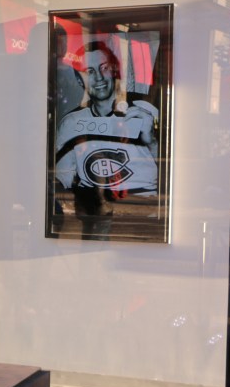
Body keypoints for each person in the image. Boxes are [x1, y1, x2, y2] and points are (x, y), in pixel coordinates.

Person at [54, 40, 159, 239]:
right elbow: (61, 179)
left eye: (104, 68)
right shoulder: (71, 123)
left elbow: (169, 171)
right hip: (95, 215)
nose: (99, 78)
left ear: (115, 71)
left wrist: (151, 140)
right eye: (89, 71)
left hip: (142, 215)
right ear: (79, 79)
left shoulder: (144, 113)